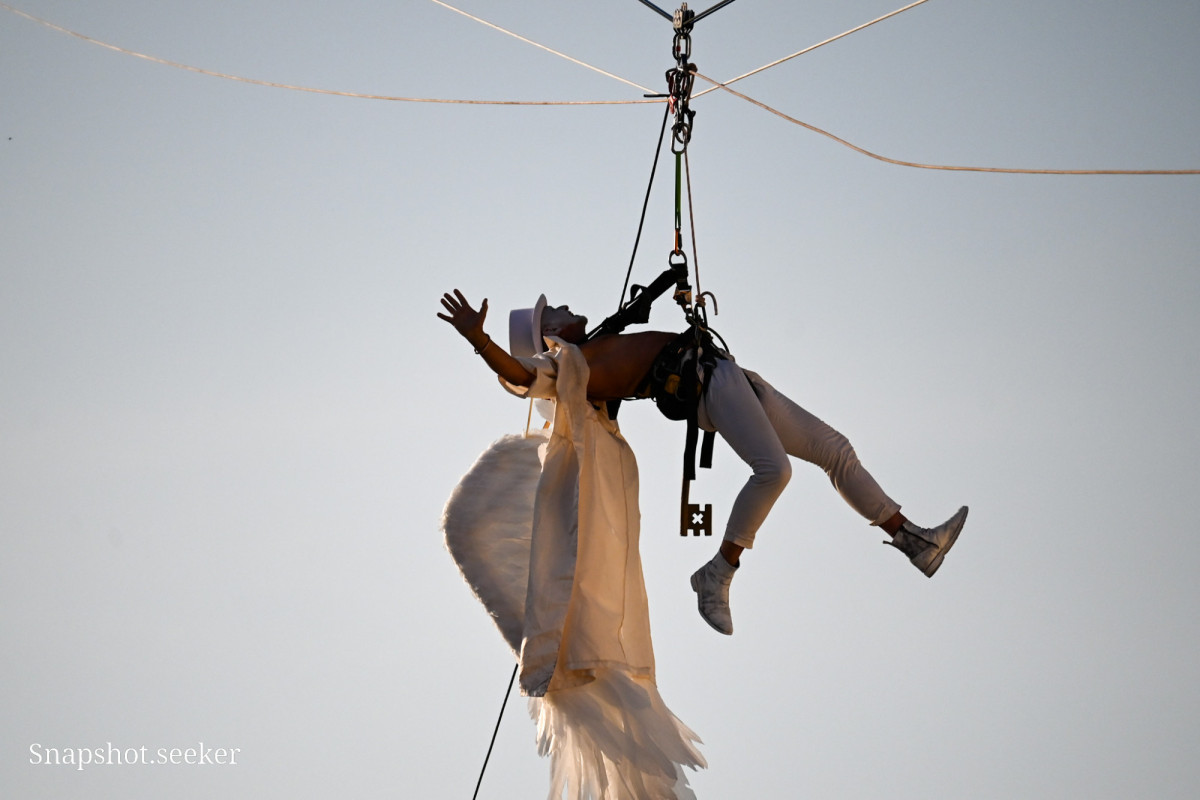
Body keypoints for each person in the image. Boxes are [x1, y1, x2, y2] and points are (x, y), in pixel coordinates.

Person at [438, 288, 968, 637]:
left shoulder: (597, 346)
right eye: (552, 313)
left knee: (836, 450)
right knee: (775, 471)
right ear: (548, 337)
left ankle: (913, 542)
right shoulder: (569, 366)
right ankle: (717, 573)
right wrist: (480, 339)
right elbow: (523, 377)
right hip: (708, 384)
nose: (564, 306)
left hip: (729, 377)